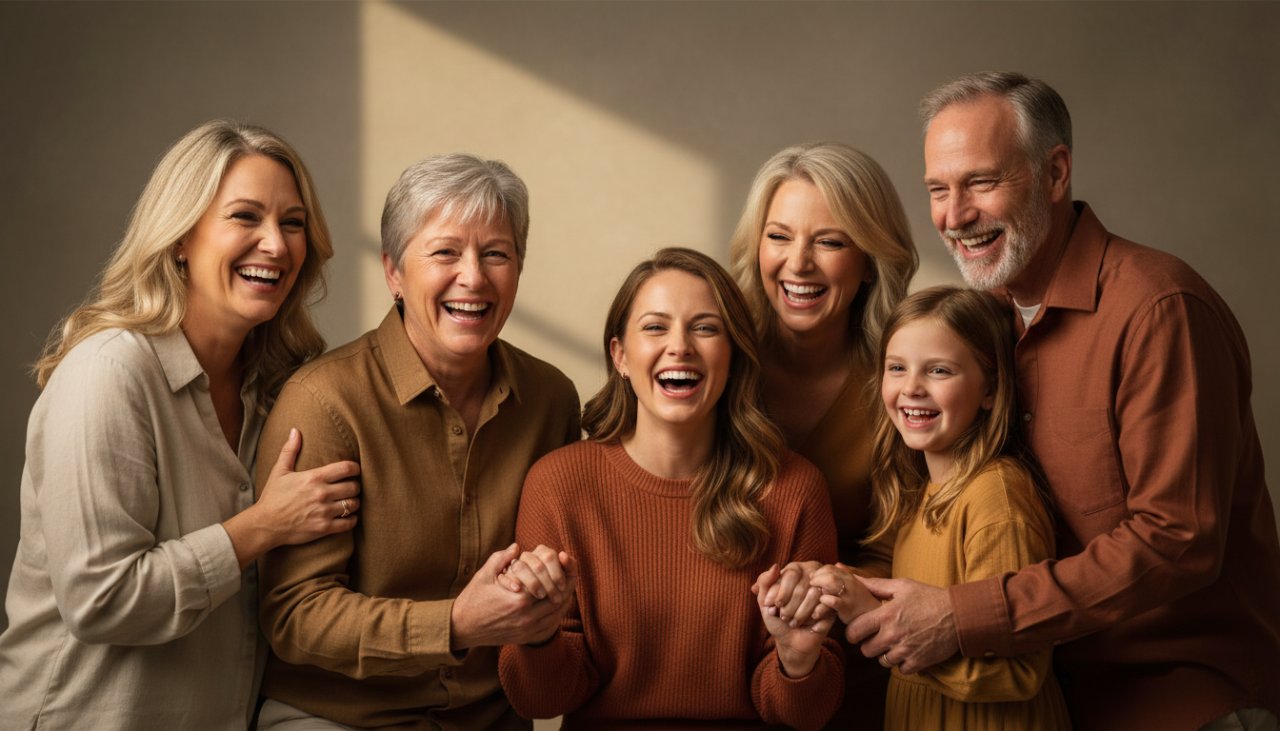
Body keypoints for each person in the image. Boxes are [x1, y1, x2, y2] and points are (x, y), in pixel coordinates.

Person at [846, 71, 1280, 730]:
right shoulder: (980, 325)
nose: (954, 216)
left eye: (982, 182)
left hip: (1180, 701)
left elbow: (1178, 539)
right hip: (1040, 699)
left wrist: (962, 617)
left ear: (1054, 173)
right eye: (938, 189)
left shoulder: (1158, 309)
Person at [0, 120, 361, 729]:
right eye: (245, 217)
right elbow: (102, 602)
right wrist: (263, 525)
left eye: (292, 222)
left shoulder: (277, 389)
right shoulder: (108, 373)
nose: (275, 244)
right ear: (179, 239)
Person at [255, 153, 581, 730]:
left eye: (497, 254)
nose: (474, 277)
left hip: (489, 720)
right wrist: (455, 623)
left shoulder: (551, 399)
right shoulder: (325, 402)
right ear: (393, 272)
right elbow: (293, 616)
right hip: (339, 718)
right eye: (445, 252)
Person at [498, 247, 843, 730]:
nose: (680, 347)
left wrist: (798, 659)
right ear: (620, 355)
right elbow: (540, 700)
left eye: (705, 328)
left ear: (734, 355)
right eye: (656, 327)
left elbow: (804, 715)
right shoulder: (558, 484)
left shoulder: (794, 488)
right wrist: (535, 636)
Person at [812, 286, 1069, 729]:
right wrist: (830, 582)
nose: (912, 388)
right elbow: (908, 598)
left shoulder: (996, 498)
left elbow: (1018, 671)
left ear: (990, 388)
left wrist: (871, 619)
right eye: (897, 368)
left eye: (939, 370)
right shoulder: (918, 492)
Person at [727, 141, 918, 727]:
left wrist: (831, 583)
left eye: (829, 241)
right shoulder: (715, 359)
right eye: (779, 236)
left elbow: (907, 558)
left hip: (841, 682)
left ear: (869, 261)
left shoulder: (905, 385)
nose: (798, 264)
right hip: (709, 676)